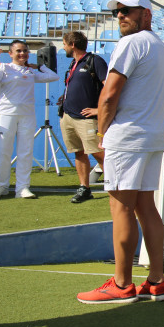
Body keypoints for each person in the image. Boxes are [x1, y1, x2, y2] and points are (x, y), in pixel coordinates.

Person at [76, 0, 164, 304]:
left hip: (128, 137)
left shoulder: (131, 43)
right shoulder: (161, 46)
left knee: (121, 208)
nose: (120, 16)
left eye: (127, 10)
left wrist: (103, 132)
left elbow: (108, 95)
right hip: (152, 136)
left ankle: (121, 284)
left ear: (146, 14)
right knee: (146, 207)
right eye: (118, 11)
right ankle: (156, 281)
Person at [0, 40, 58, 199]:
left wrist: (38, 67)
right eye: (18, 51)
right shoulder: (4, 68)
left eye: (25, 50)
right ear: (10, 53)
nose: (22, 53)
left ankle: (22, 188)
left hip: (27, 116)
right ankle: (2, 186)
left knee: (25, 152)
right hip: (6, 115)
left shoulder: (30, 72)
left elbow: (53, 76)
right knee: (4, 152)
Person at [60, 31, 108, 204]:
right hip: (68, 117)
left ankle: (116, 186)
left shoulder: (95, 61)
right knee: (78, 152)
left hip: (87, 119)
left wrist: (98, 110)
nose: (63, 47)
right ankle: (84, 188)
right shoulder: (74, 63)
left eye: (64, 43)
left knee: (98, 153)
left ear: (72, 44)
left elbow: (109, 87)